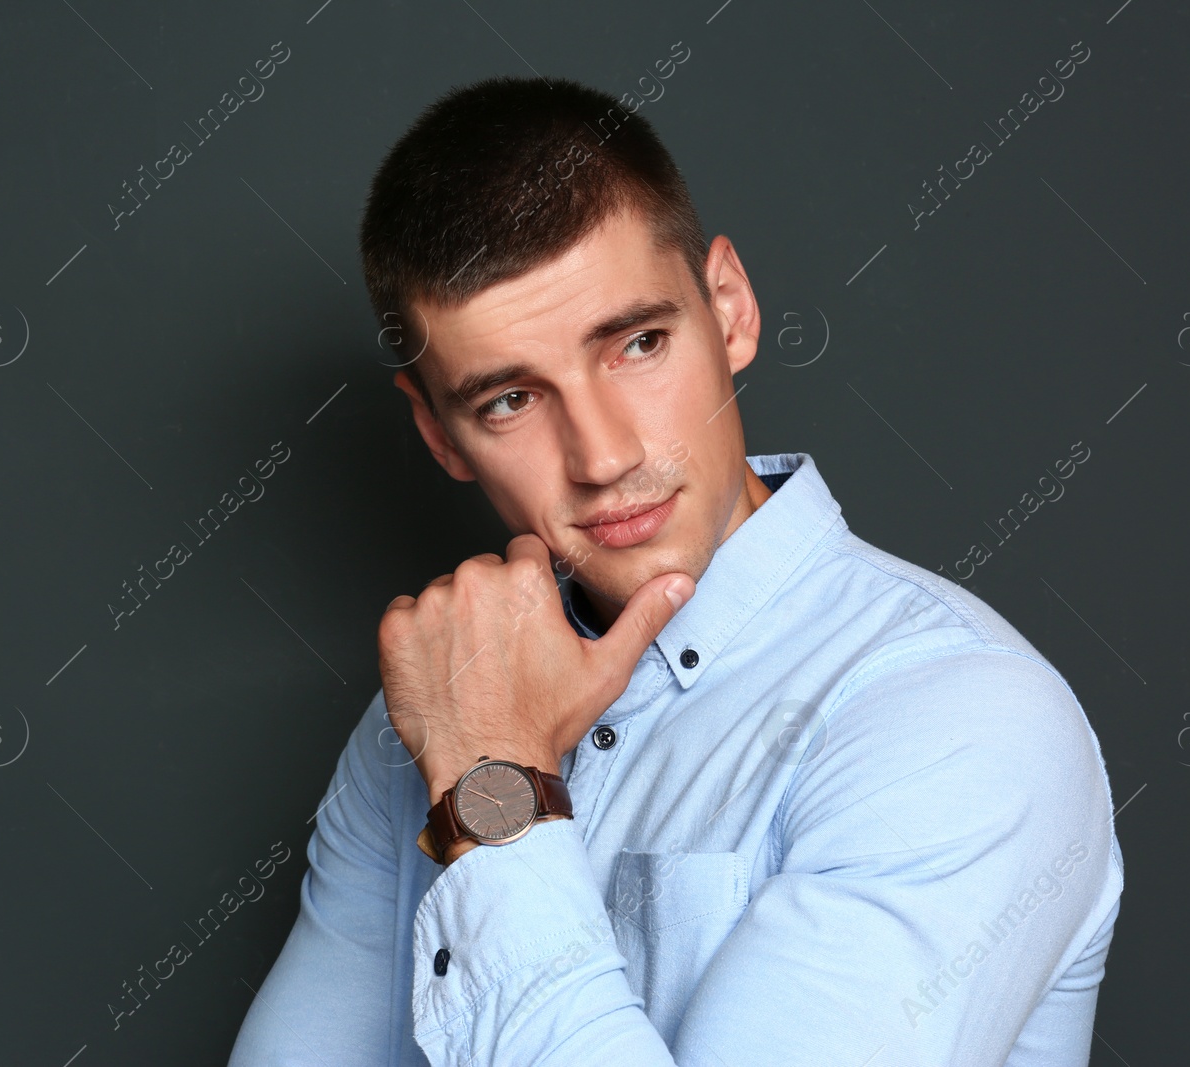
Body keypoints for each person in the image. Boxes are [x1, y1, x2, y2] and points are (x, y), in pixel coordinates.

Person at [226, 75, 1124, 1067]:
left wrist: (494, 786)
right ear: (439, 433)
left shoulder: (961, 716)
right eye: (511, 400)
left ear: (730, 309)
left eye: (638, 343)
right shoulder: (438, 706)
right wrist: (472, 746)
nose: (603, 455)